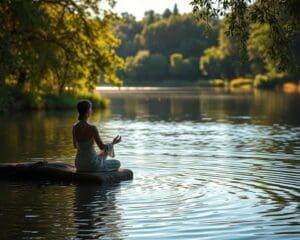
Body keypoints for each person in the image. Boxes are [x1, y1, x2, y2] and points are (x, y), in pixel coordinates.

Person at [72, 99, 121, 172]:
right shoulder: (92, 128)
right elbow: (101, 147)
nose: (91, 110)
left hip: (79, 164)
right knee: (117, 163)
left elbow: (75, 146)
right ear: (88, 111)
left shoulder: (75, 127)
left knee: (97, 156)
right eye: (90, 109)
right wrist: (113, 143)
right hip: (91, 165)